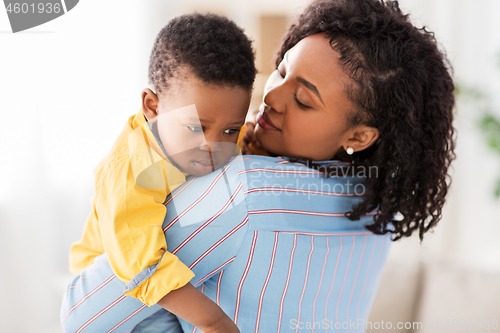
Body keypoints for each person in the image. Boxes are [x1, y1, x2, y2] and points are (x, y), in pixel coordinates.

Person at [61, 0, 456, 332]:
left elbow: (82, 317)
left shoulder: (243, 192)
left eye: (303, 100)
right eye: (281, 70)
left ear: (358, 137)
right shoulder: (377, 203)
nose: (272, 97)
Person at [63, 13, 257, 333]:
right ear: (153, 107)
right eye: (196, 127)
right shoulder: (132, 167)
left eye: (230, 130)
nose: (214, 146)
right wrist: (214, 321)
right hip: (115, 283)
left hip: (171, 274)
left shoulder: (208, 140)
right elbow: (142, 264)